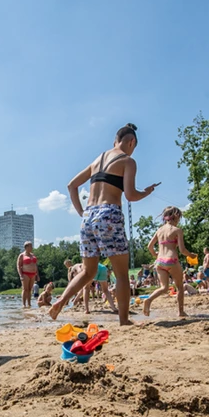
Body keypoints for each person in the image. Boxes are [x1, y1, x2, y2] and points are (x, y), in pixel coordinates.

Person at [50, 123, 158, 325]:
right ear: (131, 142)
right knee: (121, 274)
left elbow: (71, 186)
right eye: (134, 146)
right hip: (109, 214)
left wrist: (83, 213)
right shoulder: (128, 161)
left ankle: (60, 301)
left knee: (87, 272)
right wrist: (147, 192)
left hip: (88, 216)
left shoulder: (97, 159)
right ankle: (124, 320)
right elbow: (131, 195)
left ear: (115, 141)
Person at [142, 206, 195, 317]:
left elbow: (149, 246)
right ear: (175, 217)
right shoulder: (177, 230)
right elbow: (182, 250)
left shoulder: (159, 230)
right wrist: (191, 255)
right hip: (172, 260)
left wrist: (155, 254)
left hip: (160, 261)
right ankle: (181, 312)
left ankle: (149, 300)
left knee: (164, 287)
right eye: (179, 218)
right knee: (180, 287)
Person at [15, 241, 39, 308]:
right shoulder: (22, 255)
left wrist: (37, 275)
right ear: (26, 247)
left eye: (31, 246)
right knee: (25, 289)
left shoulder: (33, 255)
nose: (32, 247)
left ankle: (29, 303)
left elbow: (35, 265)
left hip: (33, 274)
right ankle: (23, 304)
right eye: (30, 246)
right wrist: (21, 275)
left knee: (30, 289)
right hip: (25, 273)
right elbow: (18, 266)